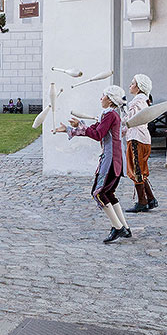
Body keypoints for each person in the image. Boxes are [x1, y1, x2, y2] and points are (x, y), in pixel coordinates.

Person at [55, 85, 131, 244]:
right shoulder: (110, 114)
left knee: (98, 193)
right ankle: (124, 227)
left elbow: (97, 134)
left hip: (111, 159)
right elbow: (93, 129)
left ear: (109, 99)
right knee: (108, 193)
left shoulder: (110, 115)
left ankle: (118, 228)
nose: (100, 98)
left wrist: (79, 127)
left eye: (103, 95)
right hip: (115, 157)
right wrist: (71, 128)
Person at [123, 74, 158, 213]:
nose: (130, 86)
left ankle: (142, 201)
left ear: (138, 87)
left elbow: (130, 120)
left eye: (132, 83)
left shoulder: (137, 101)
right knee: (140, 169)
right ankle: (150, 198)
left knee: (136, 169)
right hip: (143, 137)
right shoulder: (145, 100)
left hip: (136, 137)